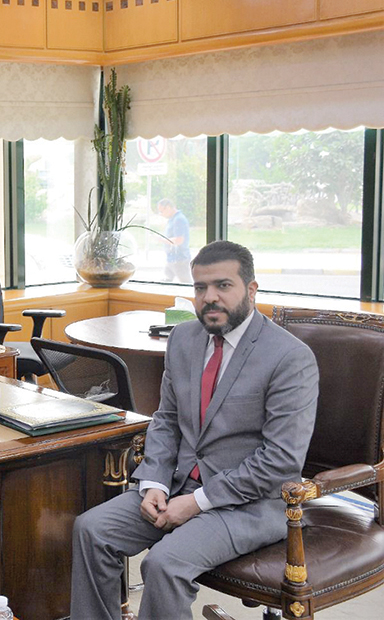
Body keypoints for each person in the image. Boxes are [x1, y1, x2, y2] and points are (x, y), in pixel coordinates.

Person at [70, 240, 319, 620]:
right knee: (91, 530)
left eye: (223, 286)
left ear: (251, 290)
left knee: (163, 564)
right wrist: (154, 482)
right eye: (200, 288)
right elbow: (167, 419)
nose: (210, 298)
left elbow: (280, 461)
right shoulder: (184, 339)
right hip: (178, 486)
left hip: (252, 505)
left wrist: (198, 502)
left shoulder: (290, 358)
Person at [158, 198, 191, 282]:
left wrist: (161, 239)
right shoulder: (172, 219)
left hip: (179, 259)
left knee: (185, 283)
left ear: (168, 207)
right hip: (172, 258)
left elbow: (179, 240)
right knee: (166, 280)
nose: (161, 214)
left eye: (162, 211)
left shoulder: (178, 219)